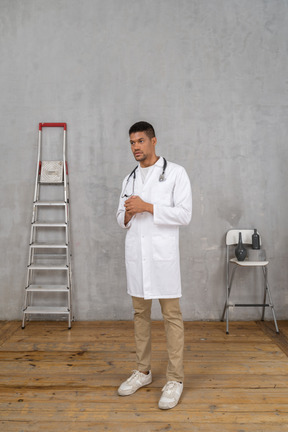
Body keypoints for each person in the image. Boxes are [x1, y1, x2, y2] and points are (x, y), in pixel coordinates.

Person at [116, 121, 192, 410]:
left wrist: (147, 206)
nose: (136, 147)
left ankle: (175, 379)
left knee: (171, 315)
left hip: (162, 258)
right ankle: (143, 371)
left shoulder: (175, 173)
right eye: (132, 143)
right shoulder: (128, 179)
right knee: (140, 314)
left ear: (153, 141)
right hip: (137, 256)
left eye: (140, 141)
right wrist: (127, 214)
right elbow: (119, 217)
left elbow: (185, 214)